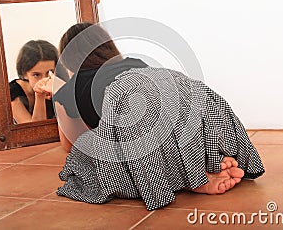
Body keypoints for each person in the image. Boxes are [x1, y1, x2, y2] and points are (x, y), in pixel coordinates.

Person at [37, 22, 265, 210]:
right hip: (180, 86)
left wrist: (56, 91)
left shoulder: (70, 88)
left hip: (130, 96)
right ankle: (207, 158)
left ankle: (189, 177)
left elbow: (69, 144)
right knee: (161, 118)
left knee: (92, 151)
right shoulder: (133, 63)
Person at [9, 39, 61, 124]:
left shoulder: (56, 86)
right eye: (36, 75)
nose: (44, 79)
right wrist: (39, 96)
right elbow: (35, 132)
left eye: (50, 72)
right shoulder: (13, 93)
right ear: (24, 73)